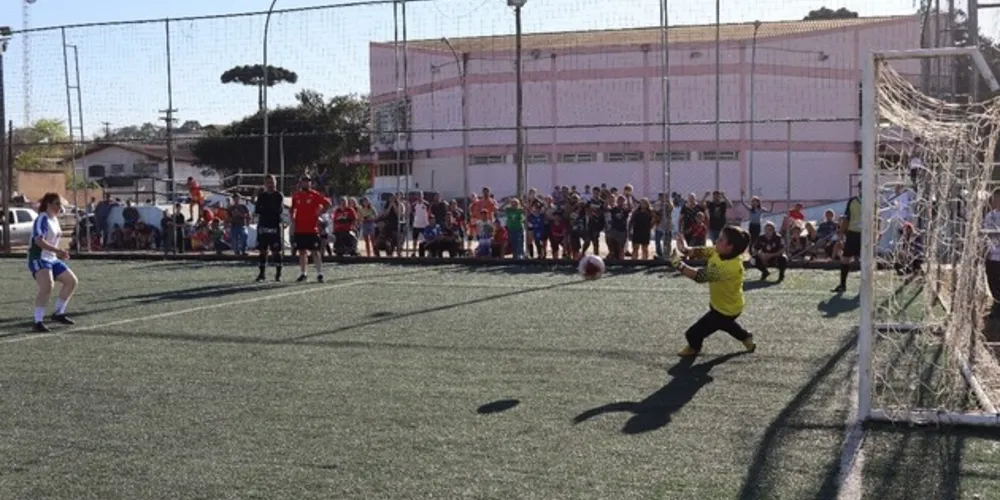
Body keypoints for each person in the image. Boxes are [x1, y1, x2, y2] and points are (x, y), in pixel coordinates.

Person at [671, 227, 756, 357]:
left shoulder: (729, 268)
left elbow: (699, 276)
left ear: (729, 247)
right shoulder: (717, 251)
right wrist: (684, 248)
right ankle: (746, 337)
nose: (717, 240)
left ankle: (694, 348)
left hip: (726, 310)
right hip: (724, 305)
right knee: (726, 325)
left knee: (693, 333)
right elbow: (698, 252)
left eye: (721, 239)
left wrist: (678, 264)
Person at [28, 193, 78, 332]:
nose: (59, 207)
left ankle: (58, 313)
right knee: (47, 287)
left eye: (60, 204)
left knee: (71, 281)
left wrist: (59, 252)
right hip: (38, 257)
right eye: (56, 203)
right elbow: (38, 241)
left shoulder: (54, 219)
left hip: (51, 258)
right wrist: (57, 251)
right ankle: (37, 321)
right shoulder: (42, 218)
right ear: (48, 204)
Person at [291, 176, 331, 282]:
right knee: (302, 252)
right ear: (301, 183)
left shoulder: (315, 195)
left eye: (308, 182)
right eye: (304, 181)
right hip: (300, 229)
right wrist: (293, 222)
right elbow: (293, 209)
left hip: (312, 229)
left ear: (310, 183)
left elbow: (327, 203)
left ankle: (319, 273)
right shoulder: (296, 196)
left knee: (315, 251)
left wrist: (320, 213)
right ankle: (303, 273)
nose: (306, 184)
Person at [254, 174, 286, 282]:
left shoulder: (279, 195)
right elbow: (258, 210)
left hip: (275, 226)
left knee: (276, 251)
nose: (270, 184)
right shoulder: (262, 196)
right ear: (265, 184)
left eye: (272, 182)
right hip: (263, 226)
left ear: (275, 183)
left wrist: (266, 209)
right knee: (262, 250)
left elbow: (278, 210)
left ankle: (278, 274)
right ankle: (262, 274)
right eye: (268, 182)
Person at [834, 183, 864, 293]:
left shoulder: (873, 201)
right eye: (861, 187)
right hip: (853, 234)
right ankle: (842, 285)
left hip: (866, 235)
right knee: (845, 259)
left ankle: (865, 286)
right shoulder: (853, 201)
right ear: (859, 189)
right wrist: (841, 234)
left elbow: (876, 219)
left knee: (865, 261)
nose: (863, 189)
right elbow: (846, 219)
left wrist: (877, 233)